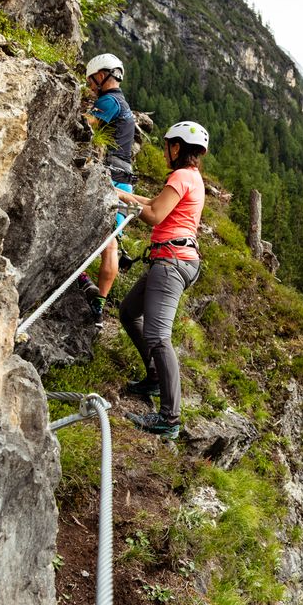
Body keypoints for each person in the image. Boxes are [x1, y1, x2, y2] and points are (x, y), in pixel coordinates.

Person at [115, 121, 208, 439]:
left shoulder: (181, 176)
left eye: (168, 144)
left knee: (157, 336)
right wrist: (121, 196)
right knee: (128, 312)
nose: (165, 150)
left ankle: (170, 418)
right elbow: (155, 205)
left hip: (171, 263)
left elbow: (154, 215)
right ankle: (154, 377)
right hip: (174, 260)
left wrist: (121, 202)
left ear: (177, 147)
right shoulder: (192, 178)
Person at [79, 53, 138, 324]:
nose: (91, 86)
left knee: (105, 241)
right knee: (110, 241)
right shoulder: (123, 103)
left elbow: (86, 125)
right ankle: (99, 302)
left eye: (92, 81)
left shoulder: (109, 101)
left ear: (102, 75)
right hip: (124, 175)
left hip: (110, 176)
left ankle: (86, 286)